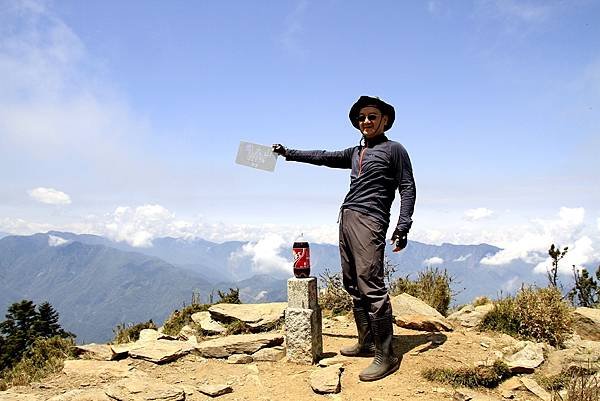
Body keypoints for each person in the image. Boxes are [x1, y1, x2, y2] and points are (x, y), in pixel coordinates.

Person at [272, 95, 416, 381]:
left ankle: (386, 356)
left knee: (370, 284)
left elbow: (407, 187)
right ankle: (366, 343)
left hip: (371, 220)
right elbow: (323, 157)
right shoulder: (355, 152)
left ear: (385, 120)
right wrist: (287, 152)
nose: (366, 121)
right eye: (362, 117)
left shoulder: (394, 150)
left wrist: (403, 226)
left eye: (372, 116)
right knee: (352, 283)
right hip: (347, 216)